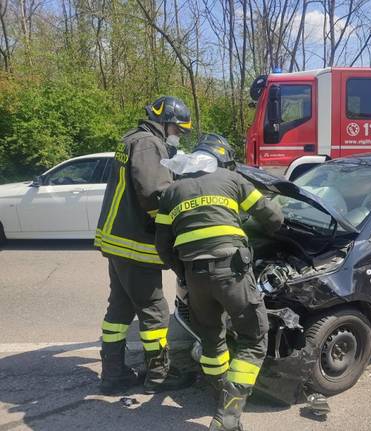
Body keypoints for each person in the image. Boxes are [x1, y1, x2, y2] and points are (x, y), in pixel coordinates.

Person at [154, 136, 283, 431]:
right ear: (221, 159)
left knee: (212, 339)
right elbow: (272, 217)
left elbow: (163, 247)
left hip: (195, 278)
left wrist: (185, 272)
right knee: (254, 339)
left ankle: (219, 395)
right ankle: (228, 415)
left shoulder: (172, 191)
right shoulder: (232, 179)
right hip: (232, 273)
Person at [95, 96, 195, 395]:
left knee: (120, 308)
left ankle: (113, 375)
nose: (178, 135)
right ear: (165, 122)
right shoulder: (150, 144)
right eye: (177, 129)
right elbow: (154, 194)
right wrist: (176, 223)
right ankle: (159, 375)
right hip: (135, 242)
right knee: (154, 309)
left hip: (117, 240)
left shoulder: (131, 139)